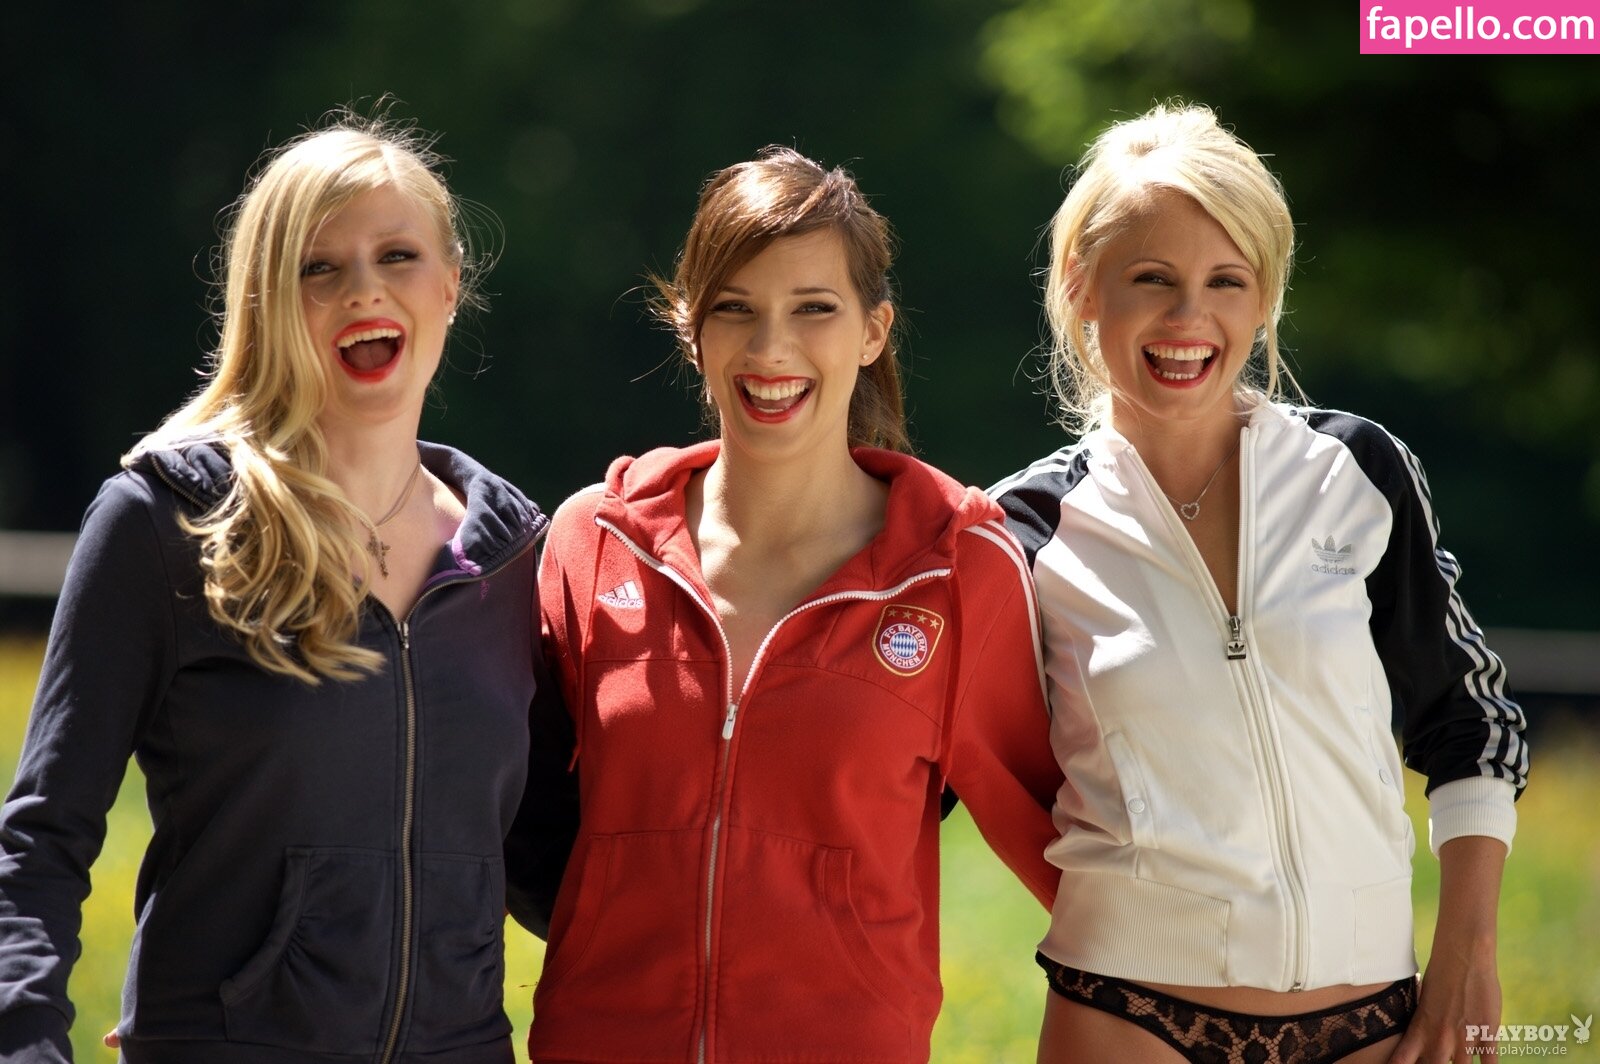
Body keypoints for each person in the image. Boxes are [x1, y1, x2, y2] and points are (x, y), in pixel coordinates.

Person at [0, 114, 574, 1063]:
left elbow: (552, 865)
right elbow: (38, 846)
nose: (363, 290)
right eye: (319, 268)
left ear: (449, 283)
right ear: (266, 302)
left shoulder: (517, 560)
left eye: (397, 256)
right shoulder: (166, 524)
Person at [989, 102, 1529, 1064]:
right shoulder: (1020, 530)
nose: (1187, 318)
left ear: (1264, 298)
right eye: (1151, 279)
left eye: (1225, 282)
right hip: (1127, 1017)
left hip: (1374, 1021)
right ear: (1081, 286)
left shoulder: (1357, 470)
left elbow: (1469, 719)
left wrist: (1468, 952)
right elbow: (940, 768)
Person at [506, 147, 1062, 1063]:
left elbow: (1068, 847)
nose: (771, 350)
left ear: (873, 330)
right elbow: (517, 822)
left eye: (814, 309)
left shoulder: (957, 569)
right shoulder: (591, 542)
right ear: (690, 327)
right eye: (736, 309)